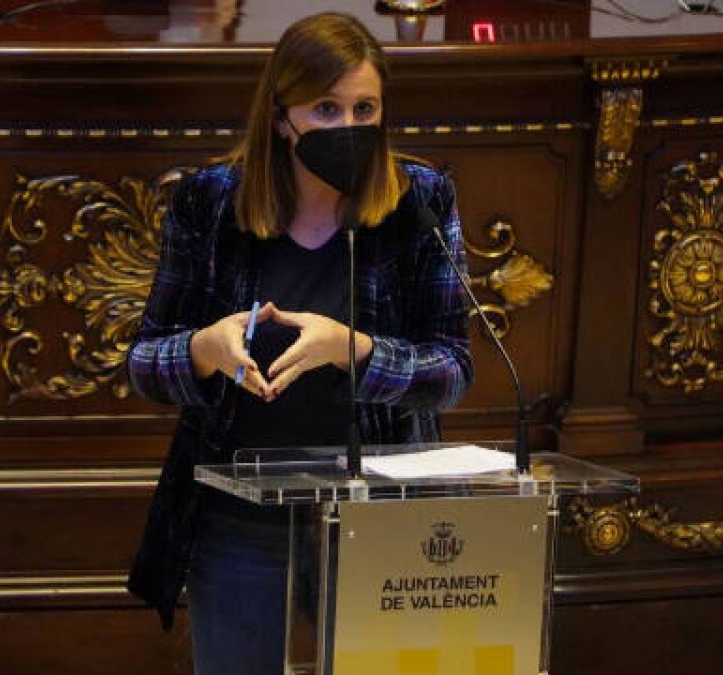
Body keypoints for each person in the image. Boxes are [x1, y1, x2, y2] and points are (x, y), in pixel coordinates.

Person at [125, 12, 472, 674]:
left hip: (376, 518)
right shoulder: (210, 204)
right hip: (239, 522)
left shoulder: (418, 201)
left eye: (365, 108)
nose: (348, 128)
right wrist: (205, 348)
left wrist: (357, 348)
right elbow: (143, 361)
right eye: (325, 109)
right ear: (282, 116)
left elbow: (453, 370)